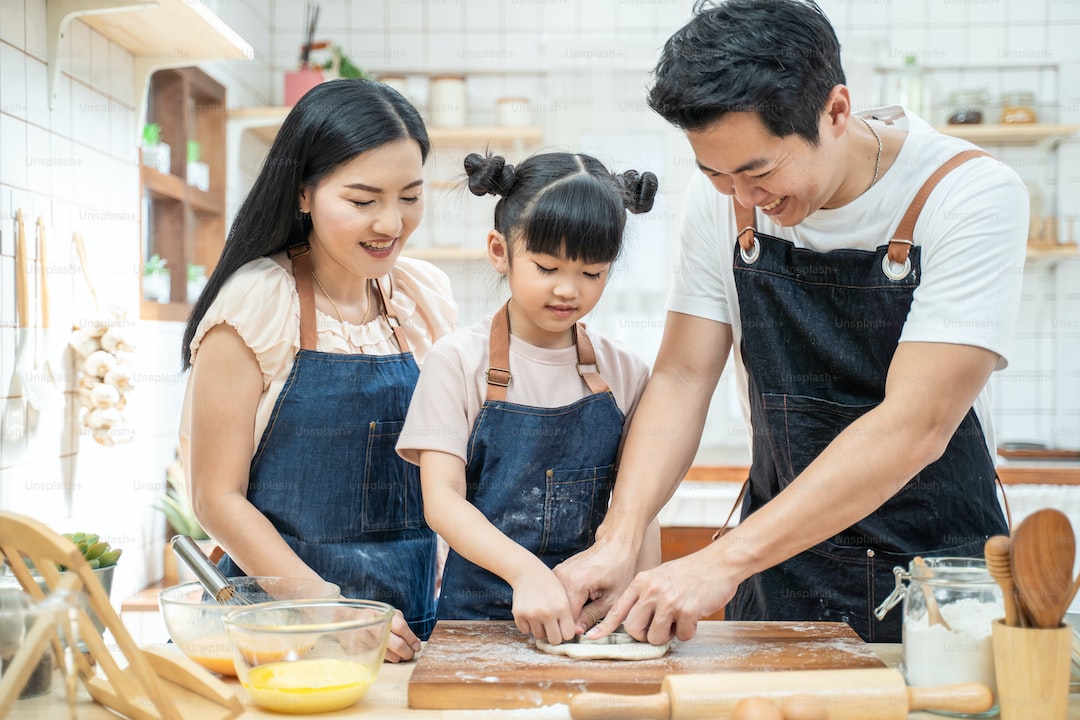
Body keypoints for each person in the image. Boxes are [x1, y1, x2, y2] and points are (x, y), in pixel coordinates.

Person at [556, 0, 1027, 645]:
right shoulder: (723, 201)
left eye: (760, 171)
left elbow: (916, 424)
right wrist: (621, 534)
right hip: (779, 565)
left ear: (835, 111)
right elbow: (684, 374)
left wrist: (723, 559)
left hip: (938, 586)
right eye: (715, 173)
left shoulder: (968, 194)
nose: (744, 199)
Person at [179, 79, 456, 662]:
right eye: (362, 200)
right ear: (303, 194)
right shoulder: (256, 303)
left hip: (410, 627)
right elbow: (214, 497)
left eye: (410, 196)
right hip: (284, 635)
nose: (391, 223)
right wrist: (326, 611)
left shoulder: (420, 296)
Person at [397, 152, 661, 644]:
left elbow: (639, 511)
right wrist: (526, 574)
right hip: (475, 626)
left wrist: (636, 606)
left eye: (592, 273)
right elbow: (442, 501)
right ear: (500, 251)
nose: (568, 289)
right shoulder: (455, 362)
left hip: (590, 624)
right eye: (547, 266)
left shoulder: (625, 371)